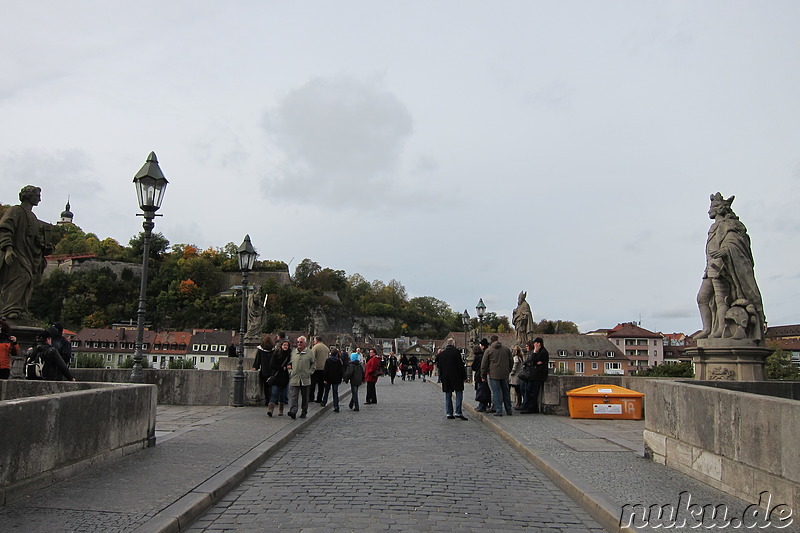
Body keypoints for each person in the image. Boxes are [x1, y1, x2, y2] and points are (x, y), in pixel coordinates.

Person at [696, 193, 766, 341]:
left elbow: (736, 243)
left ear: (721, 209)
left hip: (722, 269)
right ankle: (707, 328)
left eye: (713, 207)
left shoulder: (730, 225)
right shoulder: (713, 227)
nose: (709, 210)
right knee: (702, 298)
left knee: (722, 300)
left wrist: (726, 250)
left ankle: (722, 329)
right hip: (709, 268)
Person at [0, 185, 54, 320]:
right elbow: (5, 229)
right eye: (37, 196)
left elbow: (36, 241)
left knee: (28, 280)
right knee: (20, 278)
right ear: (29, 196)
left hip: (28, 256)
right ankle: (9, 310)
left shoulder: (33, 218)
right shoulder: (15, 211)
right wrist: (8, 248)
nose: (39, 200)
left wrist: (45, 247)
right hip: (16, 254)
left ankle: (20, 310)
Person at [481, 335, 514, 417]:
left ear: (491, 341)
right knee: (506, 392)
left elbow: (484, 364)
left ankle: (499, 410)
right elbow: (511, 361)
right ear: (498, 340)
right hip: (505, 373)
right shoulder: (506, 349)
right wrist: (508, 370)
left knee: (496, 392)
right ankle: (508, 409)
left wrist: (483, 375)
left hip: (493, 374)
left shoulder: (488, 350)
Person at [437, 338, 468, 420]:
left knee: (448, 395)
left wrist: (441, 377)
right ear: (453, 343)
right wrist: (464, 376)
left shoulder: (442, 354)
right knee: (459, 394)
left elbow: (439, 367)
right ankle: (458, 412)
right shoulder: (456, 352)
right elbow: (460, 366)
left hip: (446, 377)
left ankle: (449, 413)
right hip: (456, 376)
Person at [287, 336, 315, 420]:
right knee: (294, 396)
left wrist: (309, 372)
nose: (299, 344)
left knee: (305, 397)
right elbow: (289, 364)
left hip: (305, 379)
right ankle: (293, 411)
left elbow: (313, 365)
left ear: (305, 344)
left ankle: (304, 411)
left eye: (301, 342)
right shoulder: (293, 353)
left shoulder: (310, 353)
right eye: (298, 342)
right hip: (295, 378)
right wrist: (290, 371)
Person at [520, 338, 549, 414]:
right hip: (534, 375)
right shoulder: (539, 351)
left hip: (538, 375)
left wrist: (535, 353)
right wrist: (534, 361)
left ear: (538, 344)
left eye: (535, 343)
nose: (533, 345)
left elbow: (533, 361)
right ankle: (531, 407)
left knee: (533, 392)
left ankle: (531, 408)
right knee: (529, 390)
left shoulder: (543, 352)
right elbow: (531, 361)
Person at [268, 338, 292, 416]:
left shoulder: (290, 354)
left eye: (287, 345)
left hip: (284, 377)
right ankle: (270, 410)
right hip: (276, 376)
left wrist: (289, 367)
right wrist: (282, 368)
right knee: (274, 393)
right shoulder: (276, 353)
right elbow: (271, 365)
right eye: (284, 345)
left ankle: (280, 410)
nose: (285, 346)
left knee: (282, 395)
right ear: (281, 345)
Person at [252, 335, 274, 406]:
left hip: (264, 371)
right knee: (271, 386)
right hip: (272, 371)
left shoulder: (261, 350)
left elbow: (258, 360)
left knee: (266, 386)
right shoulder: (273, 350)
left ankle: (267, 400)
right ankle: (272, 400)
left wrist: (255, 367)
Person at [472, 340, 491, 412]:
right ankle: (484, 405)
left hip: (480, 375)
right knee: (485, 391)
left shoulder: (477, 357)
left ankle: (481, 406)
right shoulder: (484, 354)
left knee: (481, 391)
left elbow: (474, 367)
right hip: (484, 374)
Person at [322, 347, 343, 412]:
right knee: (335, 393)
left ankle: (324, 402)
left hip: (328, 378)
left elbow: (325, 370)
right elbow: (340, 371)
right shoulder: (338, 361)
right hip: (336, 379)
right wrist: (340, 379)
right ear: (337, 354)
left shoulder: (328, 360)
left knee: (326, 391)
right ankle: (336, 406)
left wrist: (325, 379)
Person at [311, 336, 329, 403]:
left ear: (317, 341)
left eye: (314, 341)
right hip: (324, 369)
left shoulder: (315, 347)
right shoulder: (326, 348)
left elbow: (312, 358)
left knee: (312, 384)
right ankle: (319, 398)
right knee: (321, 385)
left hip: (316, 368)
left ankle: (311, 397)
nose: (314, 342)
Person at [509, 345, 524, 410]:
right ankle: (519, 403)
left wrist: (512, 372)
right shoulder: (521, 357)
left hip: (515, 376)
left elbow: (514, 366)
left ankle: (518, 404)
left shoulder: (516, 358)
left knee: (517, 391)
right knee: (518, 391)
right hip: (519, 375)